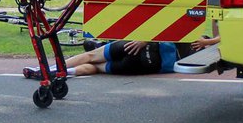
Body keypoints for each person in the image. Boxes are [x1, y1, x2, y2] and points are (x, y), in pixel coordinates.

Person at [46, 36, 219, 78]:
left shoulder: (195, 37)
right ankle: (62, 73)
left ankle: (47, 70)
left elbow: (167, 29)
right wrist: (210, 42)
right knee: (97, 68)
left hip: (145, 47)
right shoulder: (212, 58)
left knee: (91, 55)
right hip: (150, 65)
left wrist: (144, 40)